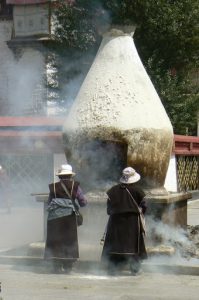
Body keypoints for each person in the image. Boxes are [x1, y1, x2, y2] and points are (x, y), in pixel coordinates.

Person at [101, 166, 147, 275]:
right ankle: (135, 269)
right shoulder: (138, 191)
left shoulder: (112, 191)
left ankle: (113, 268)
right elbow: (144, 207)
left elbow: (108, 209)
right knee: (133, 245)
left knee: (115, 245)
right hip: (132, 222)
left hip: (115, 222)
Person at [44, 163, 87, 273]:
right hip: (69, 218)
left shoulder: (53, 186)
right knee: (69, 240)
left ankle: (56, 266)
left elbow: (49, 202)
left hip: (54, 218)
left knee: (55, 241)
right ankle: (68, 266)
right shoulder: (75, 186)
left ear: (60, 176)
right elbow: (83, 202)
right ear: (71, 175)